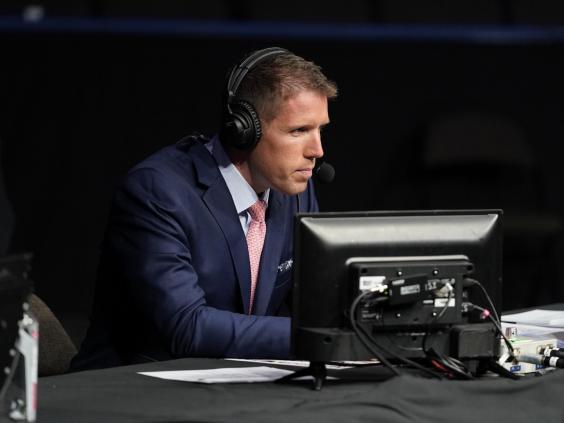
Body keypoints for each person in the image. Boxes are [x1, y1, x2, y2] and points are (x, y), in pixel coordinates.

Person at [71, 47, 338, 371]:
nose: (317, 151)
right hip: (130, 389)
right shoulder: (157, 191)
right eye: (298, 131)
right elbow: (186, 326)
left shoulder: (295, 190)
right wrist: (326, 337)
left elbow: (315, 302)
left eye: (319, 129)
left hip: (237, 387)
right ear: (243, 129)